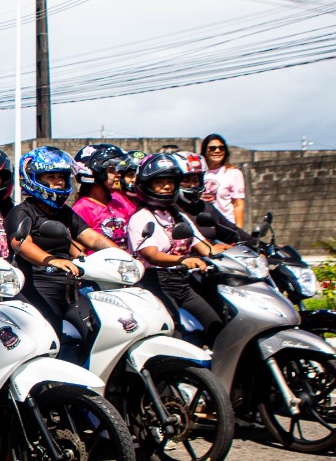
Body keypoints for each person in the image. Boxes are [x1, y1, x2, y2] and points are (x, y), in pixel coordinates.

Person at [7, 147, 119, 364]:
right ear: (32, 178)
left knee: (99, 332)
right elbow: (21, 243)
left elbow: (91, 237)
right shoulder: (22, 211)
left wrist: (121, 255)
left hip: (69, 290)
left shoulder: (64, 213)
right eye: (51, 176)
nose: (58, 182)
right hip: (37, 290)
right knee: (50, 344)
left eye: (62, 177)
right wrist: (52, 260)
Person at [126, 153, 223, 341]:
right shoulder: (141, 218)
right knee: (174, 331)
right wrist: (183, 260)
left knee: (215, 325)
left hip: (182, 283)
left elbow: (203, 246)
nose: (167, 186)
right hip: (154, 283)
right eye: (159, 182)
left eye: (170, 181)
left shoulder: (178, 215)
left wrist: (232, 252)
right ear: (146, 184)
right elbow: (151, 255)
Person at [71, 143, 134, 246]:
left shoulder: (118, 203)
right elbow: (78, 252)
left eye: (117, 170)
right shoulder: (83, 208)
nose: (118, 175)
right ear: (95, 174)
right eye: (111, 170)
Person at [199, 133, 246, 230]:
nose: (217, 151)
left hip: (226, 226)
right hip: (202, 227)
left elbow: (238, 204)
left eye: (221, 148)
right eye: (212, 148)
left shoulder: (233, 173)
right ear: (204, 151)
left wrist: (239, 231)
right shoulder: (197, 173)